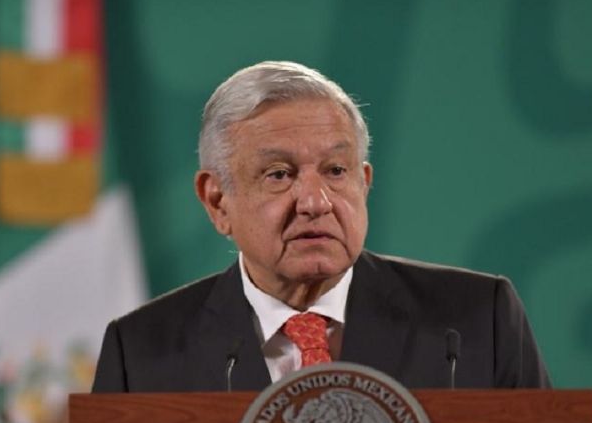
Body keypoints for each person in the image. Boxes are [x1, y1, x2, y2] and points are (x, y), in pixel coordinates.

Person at [93, 61, 550, 393]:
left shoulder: (475, 323)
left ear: (364, 182)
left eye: (335, 170)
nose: (316, 202)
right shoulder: (140, 354)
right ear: (217, 201)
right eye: (279, 174)